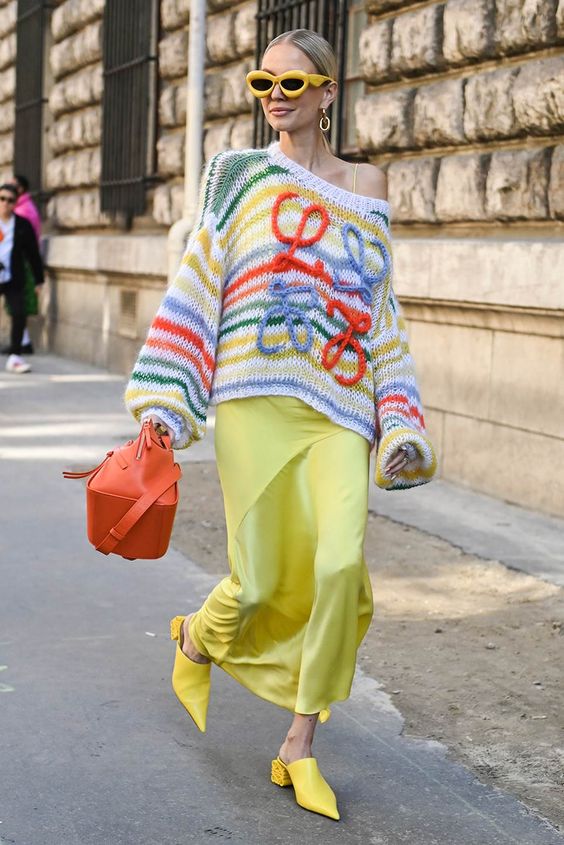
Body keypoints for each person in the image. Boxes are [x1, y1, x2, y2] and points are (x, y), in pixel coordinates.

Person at [125, 29, 436, 821]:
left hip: (338, 410)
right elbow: (200, 281)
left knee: (337, 568)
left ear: (330, 93)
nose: (276, 96)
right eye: (265, 81)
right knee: (260, 578)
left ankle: (298, 743)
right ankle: (197, 634)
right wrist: (166, 399)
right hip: (251, 401)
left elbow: (380, 312)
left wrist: (400, 419)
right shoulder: (235, 175)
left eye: (295, 84)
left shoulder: (369, 184)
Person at [0, 183, 44, 373]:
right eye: (2, 199)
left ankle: (15, 357)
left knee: (19, 313)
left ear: (15, 203)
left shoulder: (22, 225)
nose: (5, 204)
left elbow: (33, 254)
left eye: (10, 200)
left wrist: (38, 280)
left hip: (12, 277)